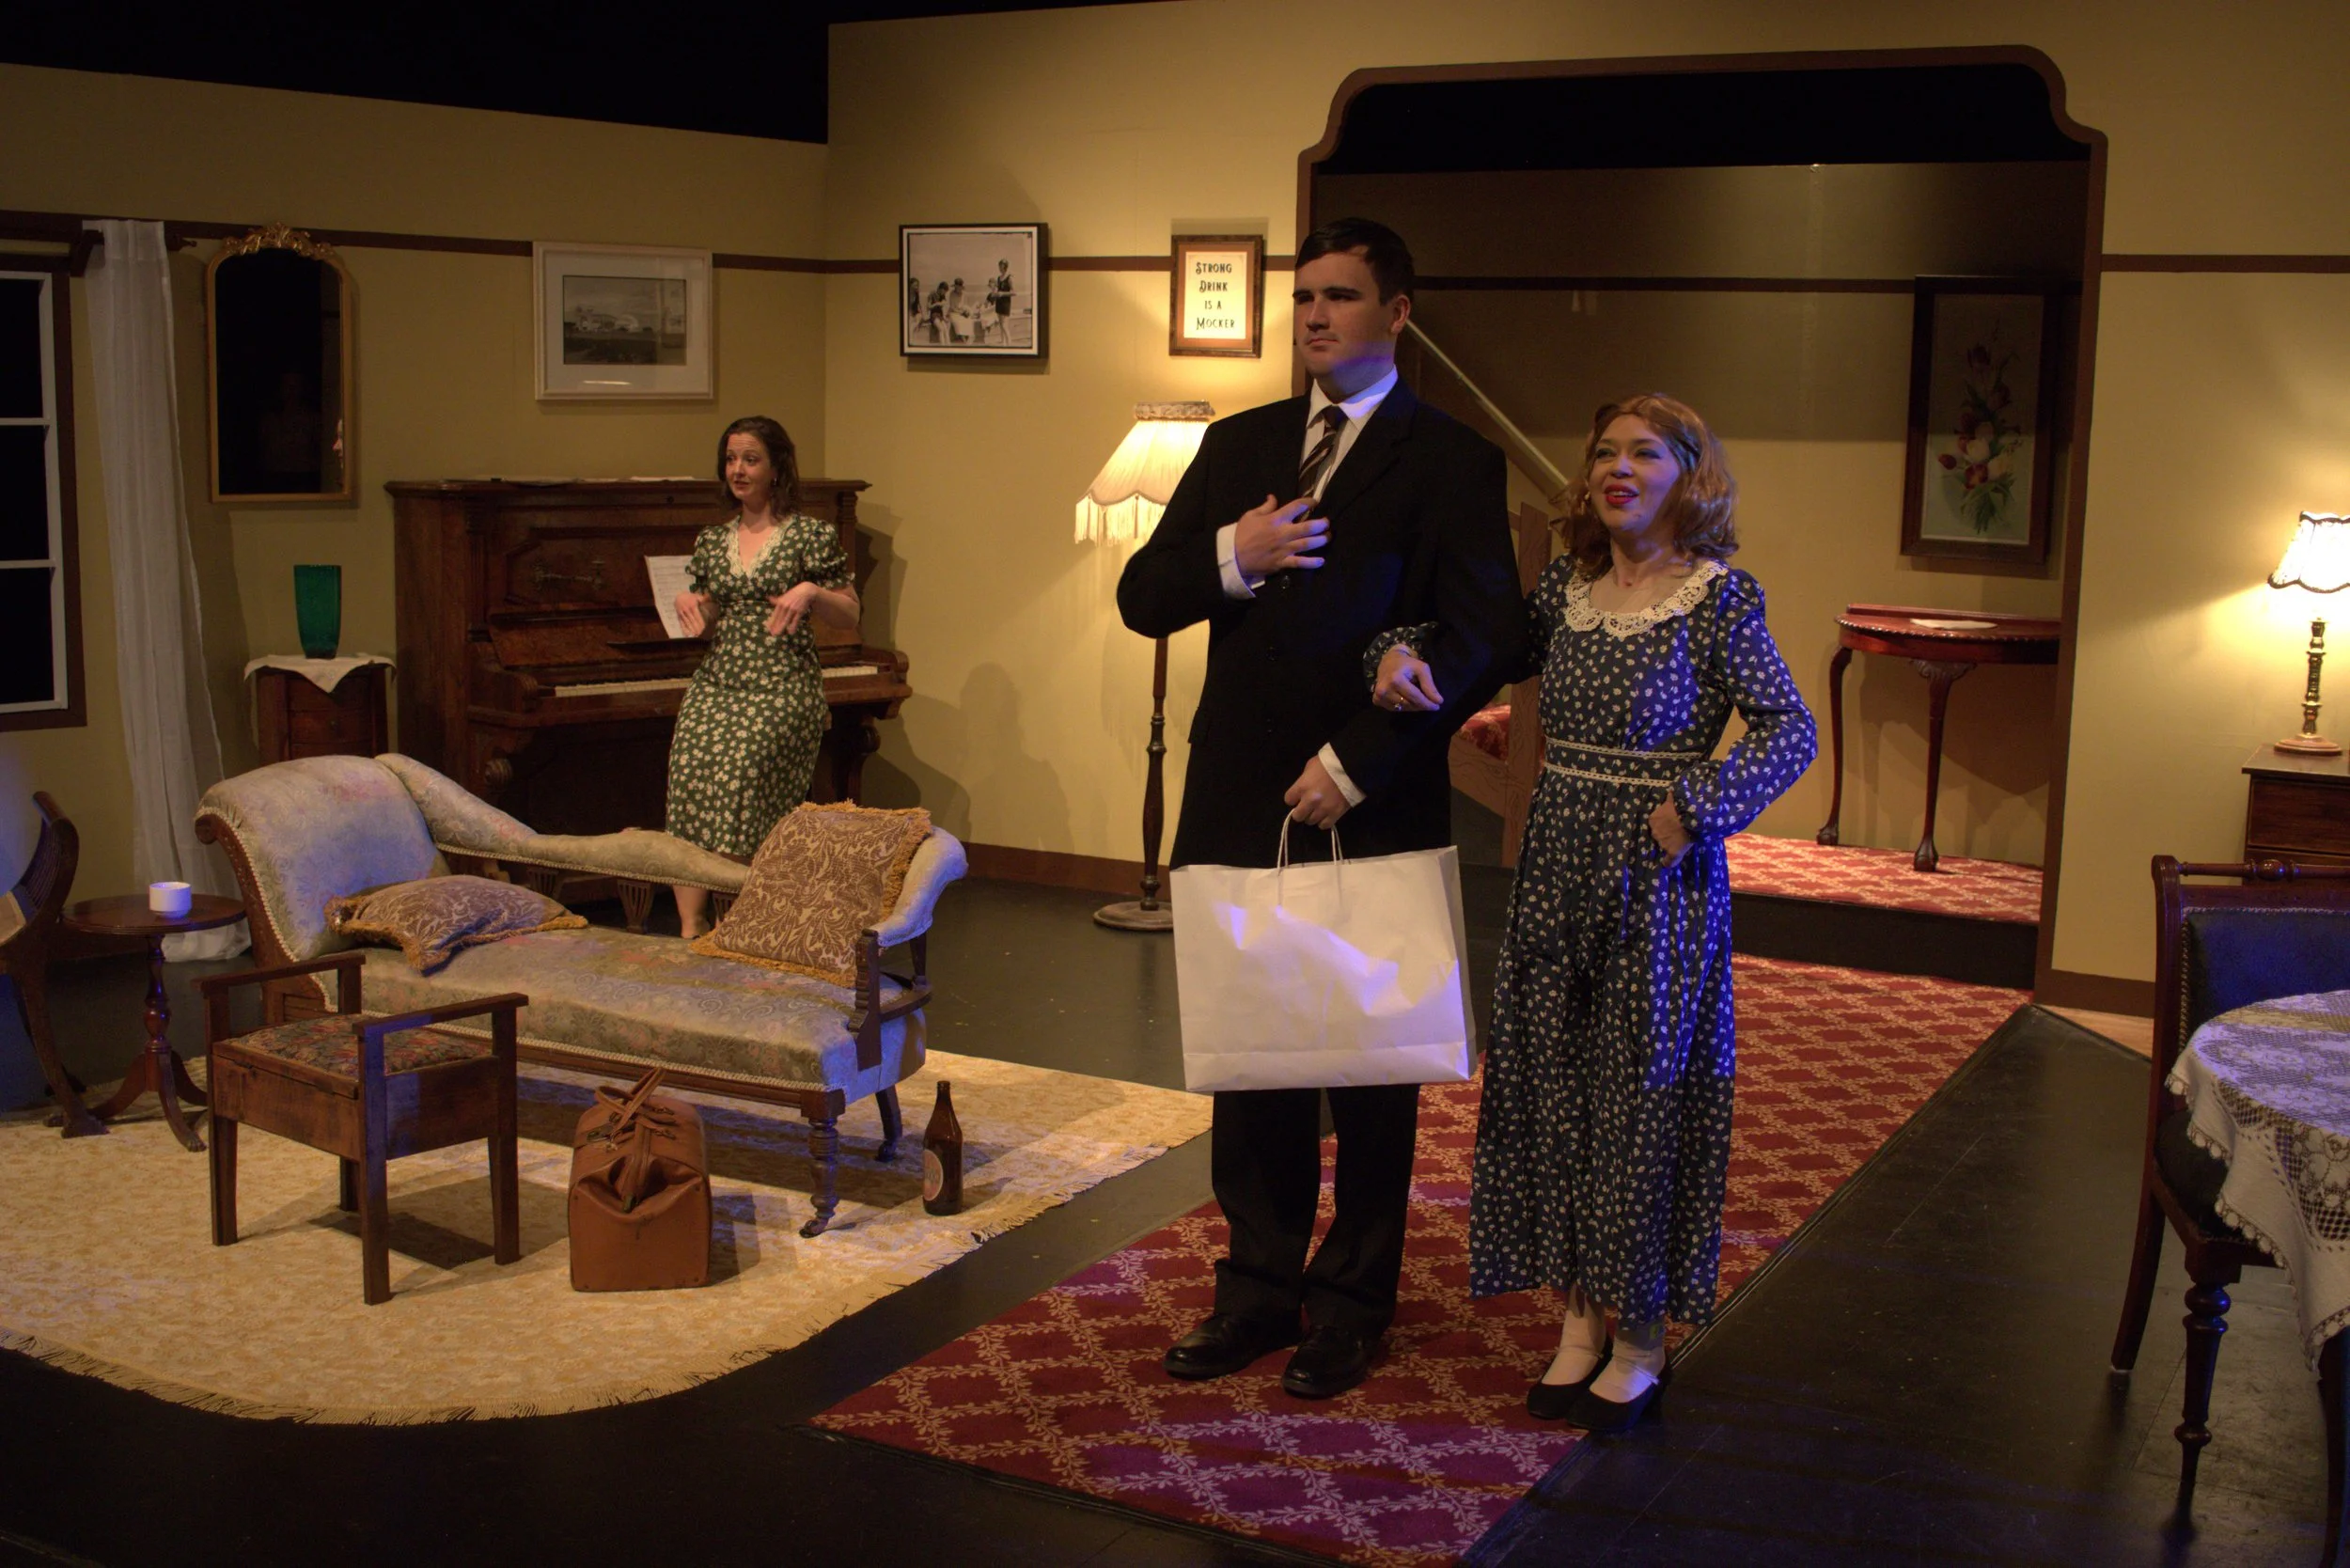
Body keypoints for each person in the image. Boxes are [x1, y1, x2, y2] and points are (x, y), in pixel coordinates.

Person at [1118, 217, 1525, 1401]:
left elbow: (1484, 635)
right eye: (1303, 297)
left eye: (1339, 297)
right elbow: (1145, 596)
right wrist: (1233, 555)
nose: (1313, 316)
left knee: (1366, 1068)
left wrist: (1359, 760)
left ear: (1396, 313)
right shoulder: (1240, 443)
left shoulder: (1449, 458)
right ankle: (1254, 1288)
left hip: (1370, 795)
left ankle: (1350, 1303)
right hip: (1239, 796)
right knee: (1255, 1061)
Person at [1371, 393, 1816, 1433]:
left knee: (1639, 1099)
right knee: (1555, 1087)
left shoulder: (1717, 600)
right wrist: (1393, 648)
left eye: (1645, 454)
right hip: (1555, 869)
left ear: (1689, 475)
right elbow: (1475, 641)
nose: (1618, 469)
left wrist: (1694, 809)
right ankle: (1576, 1319)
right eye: (1605, 452)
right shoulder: (1564, 593)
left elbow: (1787, 730)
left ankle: (1641, 1334)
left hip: (1655, 883)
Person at [665, 416, 862, 938]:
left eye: (750, 459)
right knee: (689, 775)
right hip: (720, 678)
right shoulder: (713, 540)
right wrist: (694, 605)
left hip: (781, 684)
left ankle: (740, 925)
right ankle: (691, 930)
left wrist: (812, 593)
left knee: (743, 779)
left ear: (776, 468)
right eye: (731, 459)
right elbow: (711, 617)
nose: (738, 469)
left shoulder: (810, 535)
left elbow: (850, 614)